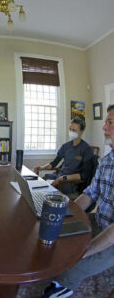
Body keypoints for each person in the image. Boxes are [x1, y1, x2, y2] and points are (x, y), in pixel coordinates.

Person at [41, 104, 114, 298]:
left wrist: (86, 250)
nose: (104, 127)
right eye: (105, 122)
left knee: (75, 263)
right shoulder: (107, 161)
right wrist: (65, 213)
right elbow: (90, 194)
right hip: (100, 221)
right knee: (57, 229)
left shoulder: (86, 150)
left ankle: (60, 288)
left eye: (110, 123)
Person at [34, 118, 93, 195]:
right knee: (40, 184)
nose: (71, 132)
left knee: (48, 192)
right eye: (70, 129)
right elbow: (54, 163)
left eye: (74, 130)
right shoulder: (65, 146)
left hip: (70, 182)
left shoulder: (86, 149)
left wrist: (63, 178)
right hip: (59, 176)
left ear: (81, 132)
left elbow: (84, 175)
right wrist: (41, 168)